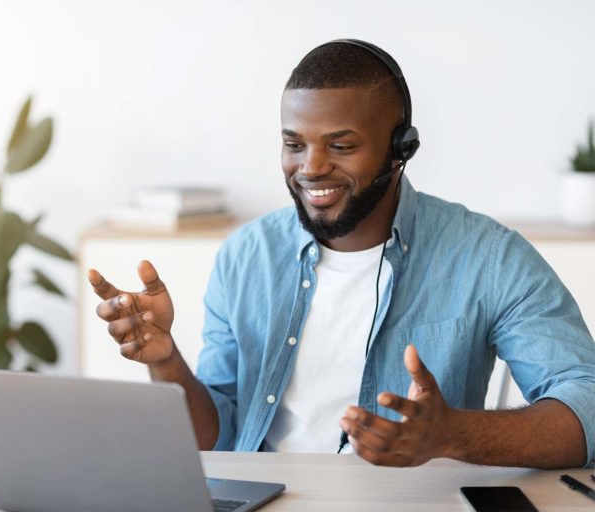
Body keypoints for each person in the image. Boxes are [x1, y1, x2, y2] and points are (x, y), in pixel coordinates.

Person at [87, 39, 595, 468]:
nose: (311, 168)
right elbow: (218, 440)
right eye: (294, 144)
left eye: (341, 146)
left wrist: (452, 434)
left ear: (402, 148)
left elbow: (587, 404)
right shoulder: (247, 255)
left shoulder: (488, 257)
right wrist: (167, 362)